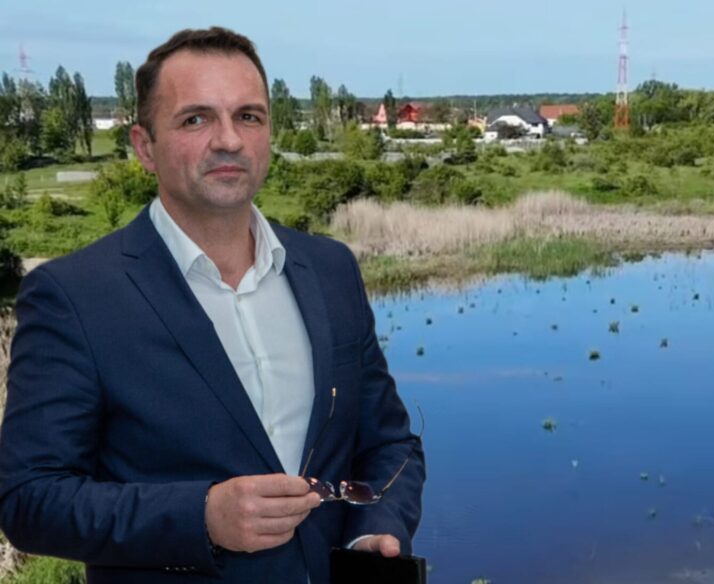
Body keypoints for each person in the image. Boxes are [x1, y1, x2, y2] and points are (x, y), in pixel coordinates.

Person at [0, 27, 424, 583]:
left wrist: (373, 530)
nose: (228, 140)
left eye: (248, 116)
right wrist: (200, 518)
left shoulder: (331, 269)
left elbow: (390, 443)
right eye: (195, 119)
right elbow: (29, 500)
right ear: (144, 147)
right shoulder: (74, 295)